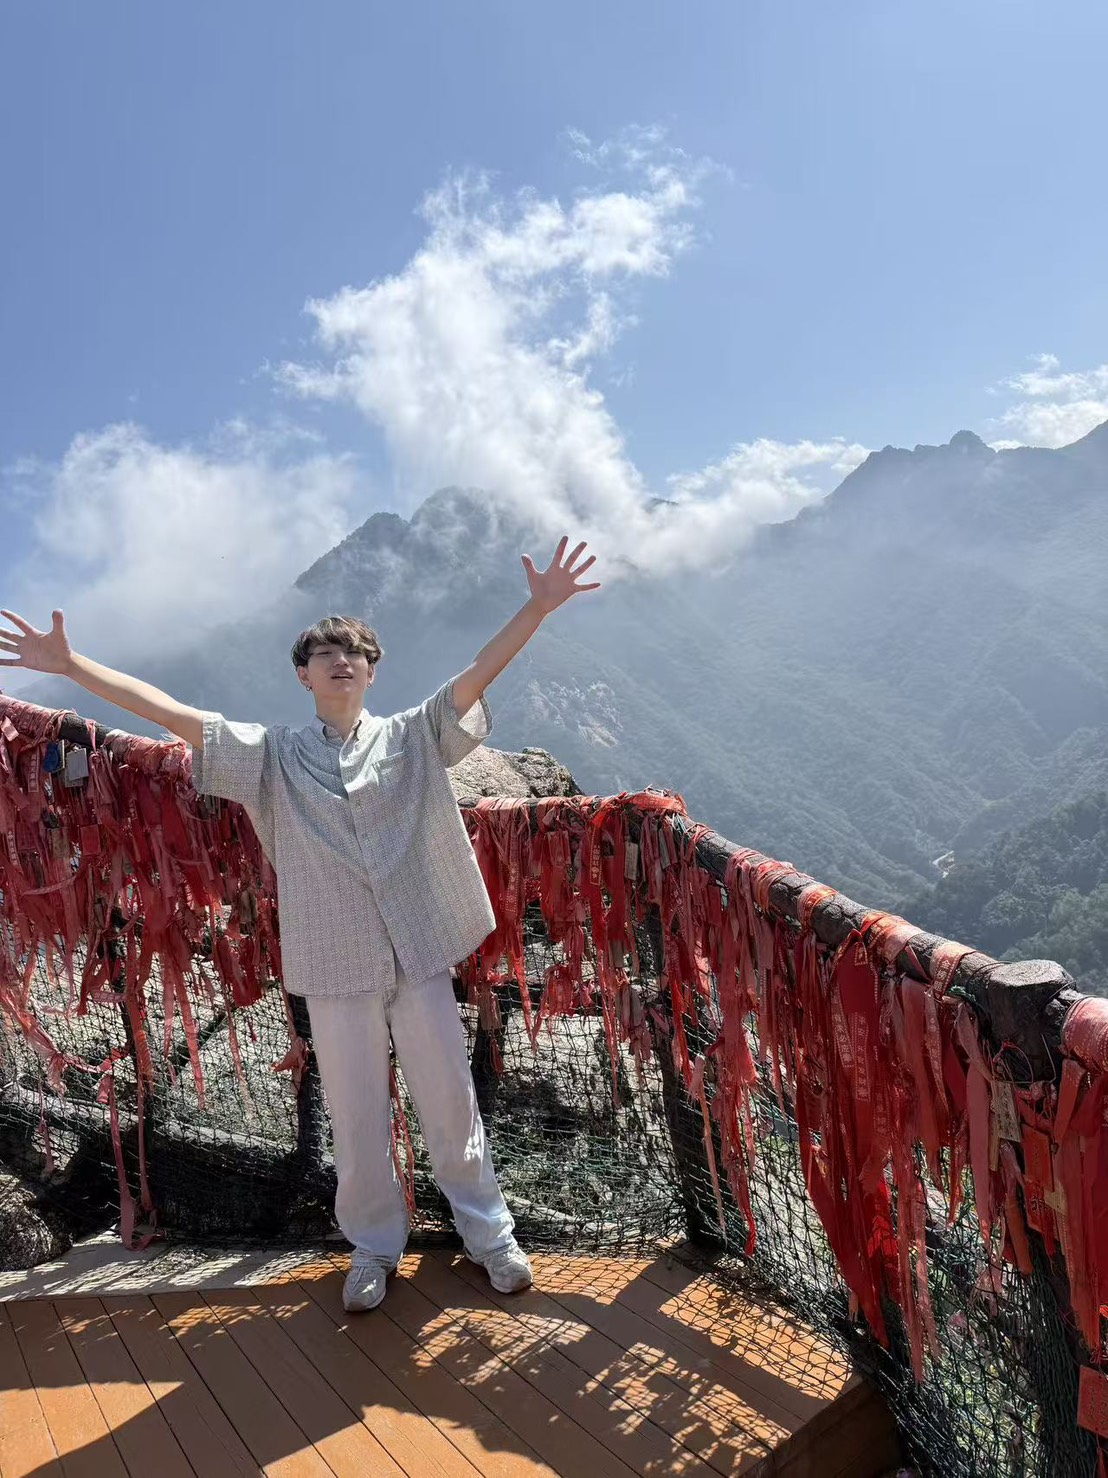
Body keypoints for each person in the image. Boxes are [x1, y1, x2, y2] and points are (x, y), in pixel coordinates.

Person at [1, 535, 601, 1311]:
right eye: (325, 653)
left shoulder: (414, 736)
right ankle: (373, 1248)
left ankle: (489, 1236)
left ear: (372, 670)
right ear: (303, 675)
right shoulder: (272, 756)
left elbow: (478, 672)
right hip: (334, 963)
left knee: (451, 1100)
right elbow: (175, 716)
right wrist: (73, 666)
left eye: (354, 652)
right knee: (355, 1114)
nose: (340, 660)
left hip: (418, 951)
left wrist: (538, 607)